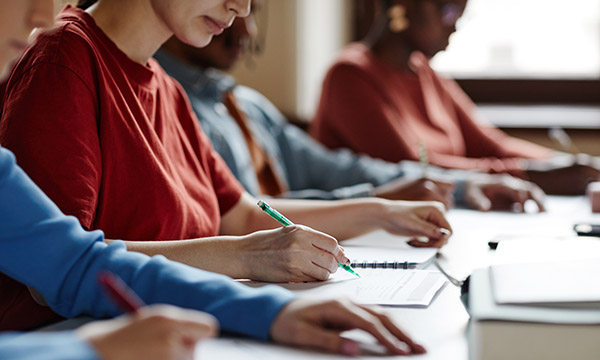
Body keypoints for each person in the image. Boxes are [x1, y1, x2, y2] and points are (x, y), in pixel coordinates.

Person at [0, 1, 425, 357]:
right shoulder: (62, 61)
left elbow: (237, 213)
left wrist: (378, 211)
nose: (240, 8)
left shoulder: (168, 89)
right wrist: (244, 258)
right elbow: (57, 273)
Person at [156, 0, 546, 212]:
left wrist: (460, 186)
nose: (246, 25)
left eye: (253, 9)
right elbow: (243, 215)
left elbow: (338, 169)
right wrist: (375, 201)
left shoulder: (246, 104)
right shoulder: (169, 105)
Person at [310, 0, 600, 196]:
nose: (455, 25)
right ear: (404, 5)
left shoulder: (425, 73)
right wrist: (533, 175)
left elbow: (489, 143)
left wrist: (572, 163)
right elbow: (412, 170)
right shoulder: (349, 76)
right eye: (448, 10)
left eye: (461, 13)